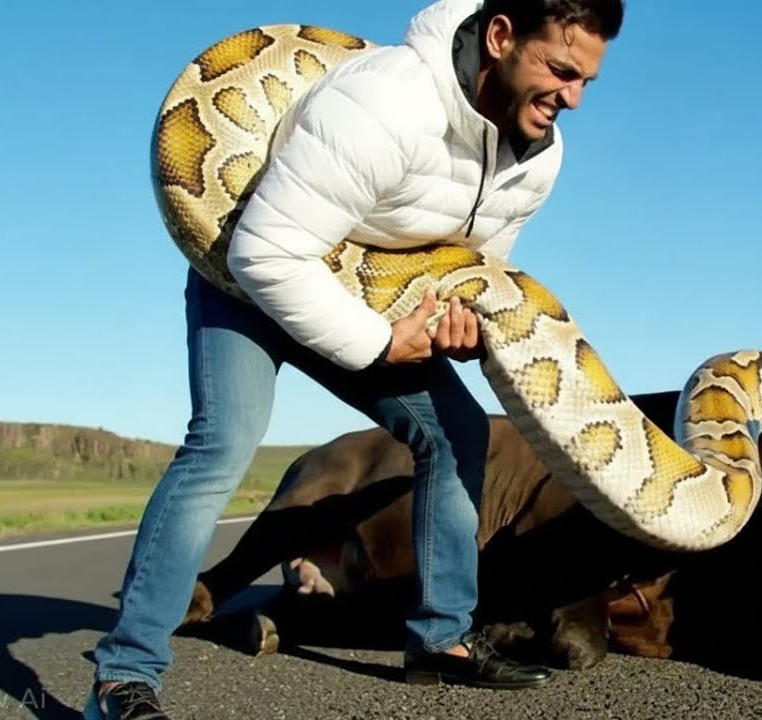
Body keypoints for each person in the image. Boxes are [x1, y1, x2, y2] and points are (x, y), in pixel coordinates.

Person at [83, 0, 624, 717]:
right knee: (221, 445)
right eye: (561, 70)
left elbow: (473, 266)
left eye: (587, 80)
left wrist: (456, 322)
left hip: (371, 292)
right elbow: (264, 252)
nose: (574, 98)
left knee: (456, 433)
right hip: (248, 272)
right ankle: (124, 674)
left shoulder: (540, 157)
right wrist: (378, 344)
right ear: (500, 37)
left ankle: (443, 638)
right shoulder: (388, 99)